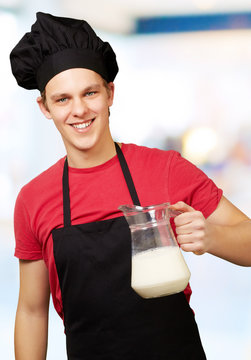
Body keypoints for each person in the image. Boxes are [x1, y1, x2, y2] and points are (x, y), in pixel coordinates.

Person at [10, 12, 251, 360]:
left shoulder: (166, 169)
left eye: (90, 92)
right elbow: (32, 311)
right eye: (62, 99)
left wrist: (212, 238)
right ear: (44, 107)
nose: (79, 109)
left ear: (110, 93)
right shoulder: (33, 199)